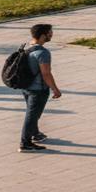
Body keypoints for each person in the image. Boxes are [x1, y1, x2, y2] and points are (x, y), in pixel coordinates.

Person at [19, 23, 61, 152]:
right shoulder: (43, 53)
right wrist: (55, 89)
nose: (51, 34)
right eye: (50, 32)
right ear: (43, 35)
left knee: (32, 113)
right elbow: (46, 73)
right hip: (38, 89)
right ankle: (25, 143)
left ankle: (35, 133)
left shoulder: (27, 47)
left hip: (26, 86)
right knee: (32, 115)